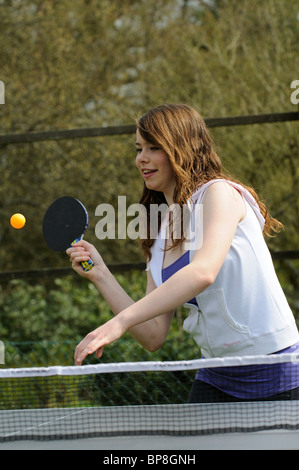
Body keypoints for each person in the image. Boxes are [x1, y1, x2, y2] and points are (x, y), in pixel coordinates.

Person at [67, 103, 299, 402]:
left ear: (182, 147)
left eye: (153, 147)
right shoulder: (160, 231)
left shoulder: (220, 193)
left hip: (278, 369)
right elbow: (153, 334)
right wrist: (101, 275)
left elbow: (203, 272)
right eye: (138, 149)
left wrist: (119, 323)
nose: (142, 158)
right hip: (216, 375)